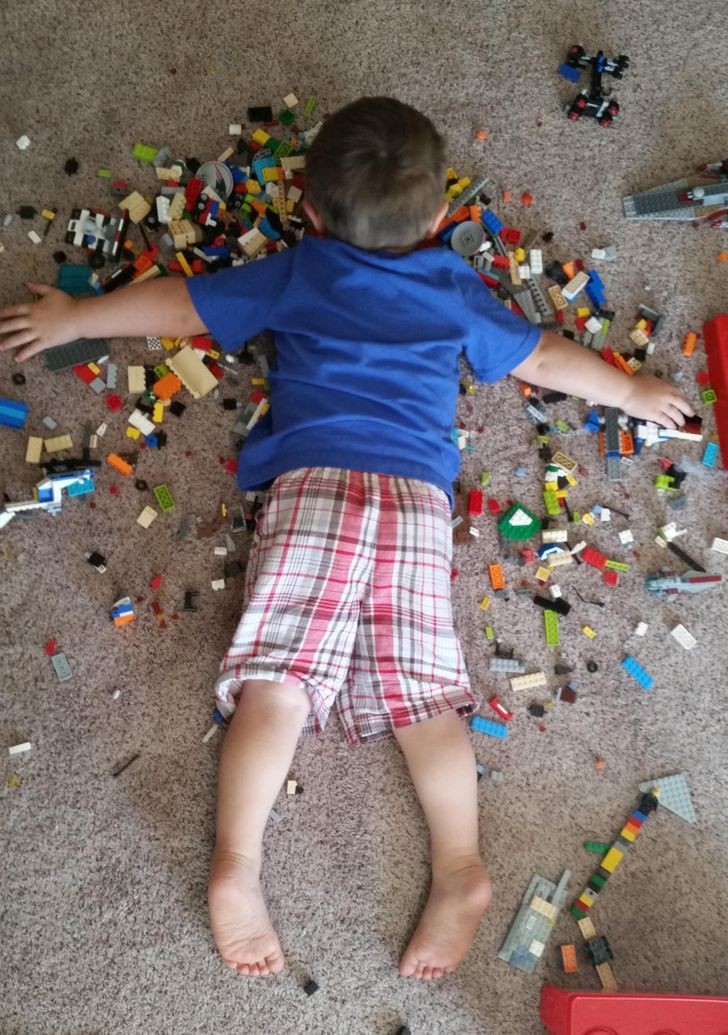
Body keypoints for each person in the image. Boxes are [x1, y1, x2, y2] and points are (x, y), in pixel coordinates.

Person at [0, 96, 694, 981]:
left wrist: (74, 317)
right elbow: (543, 357)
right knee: (421, 699)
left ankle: (239, 864)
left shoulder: (300, 270)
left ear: (312, 213)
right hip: (409, 502)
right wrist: (632, 392)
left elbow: (182, 308)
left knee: (279, 686)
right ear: (443, 218)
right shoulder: (454, 285)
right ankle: (459, 866)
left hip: (316, 491)